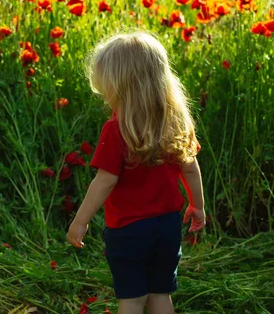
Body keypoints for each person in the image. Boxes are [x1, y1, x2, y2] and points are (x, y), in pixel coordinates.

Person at [66, 31, 206, 314]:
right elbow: (190, 167)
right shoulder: (173, 122)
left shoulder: (117, 130)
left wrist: (80, 221)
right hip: (167, 226)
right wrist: (197, 205)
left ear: (119, 86)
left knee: (132, 299)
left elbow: (105, 181)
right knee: (160, 293)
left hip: (128, 229)